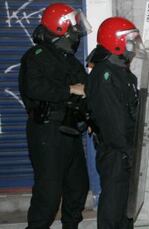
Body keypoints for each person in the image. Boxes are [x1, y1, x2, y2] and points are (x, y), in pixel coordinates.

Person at [18, 3, 91, 228]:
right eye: (74, 27)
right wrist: (69, 89)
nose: (77, 32)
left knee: (78, 187)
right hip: (46, 131)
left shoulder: (69, 59)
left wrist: (91, 116)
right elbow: (34, 88)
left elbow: (86, 88)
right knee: (48, 195)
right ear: (61, 28)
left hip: (69, 130)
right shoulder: (36, 56)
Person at [86, 17, 142, 228]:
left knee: (125, 206)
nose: (134, 45)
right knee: (114, 203)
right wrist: (126, 149)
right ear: (115, 41)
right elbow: (112, 121)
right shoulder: (105, 74)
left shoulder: (121, 72)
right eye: (130, 40)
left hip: (125, 148)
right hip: (116, 149)